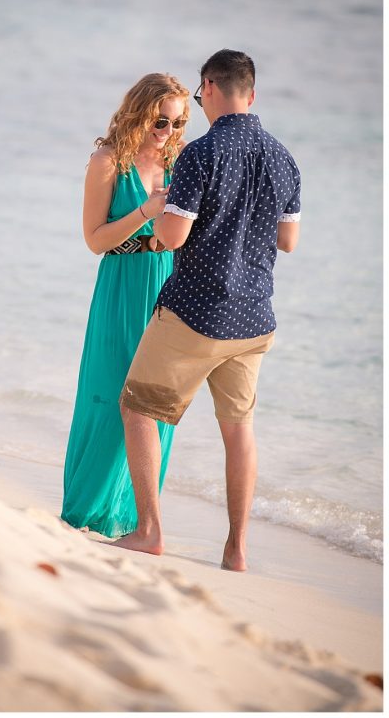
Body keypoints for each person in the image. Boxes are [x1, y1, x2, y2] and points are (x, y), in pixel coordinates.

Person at [114, 49, 301, 571]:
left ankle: (149, 530)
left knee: (137, 408)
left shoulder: (200, 153)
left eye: (199, 96)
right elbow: (288, 240)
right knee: (238, 429)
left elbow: (173, 236)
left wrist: (154, 217)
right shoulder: (284, 157)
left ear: (209, 88)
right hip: (254, 320)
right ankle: (237, 549)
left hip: (195, 314)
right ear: (254, 94)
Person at [61, 73, 190, 537]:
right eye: (160, 122)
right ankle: (84, 511)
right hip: (122, 283)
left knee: (155, 404)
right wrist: (144, 213)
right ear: (139, 111)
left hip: (170, 285)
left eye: (176, 124)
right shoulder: (108, 161)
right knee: (107, 395)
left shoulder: (181, 163)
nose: (168, 133)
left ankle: (136, 520)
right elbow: (94, 241)